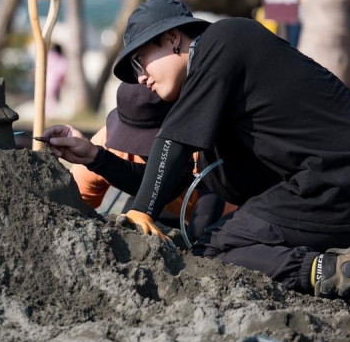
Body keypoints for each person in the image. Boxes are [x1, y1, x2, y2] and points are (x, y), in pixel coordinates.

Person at [44, 0, 350, 316]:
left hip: (343, 183)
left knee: (217, 249)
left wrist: (142, 210)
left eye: (141, 62)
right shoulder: (222, 105)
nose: (141, 78)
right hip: (348, 192)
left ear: (174, 39)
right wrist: (95, 157)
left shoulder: (224, 40)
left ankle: (346, 274)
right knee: (219, 239)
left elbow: (171, 144)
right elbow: (180, 184)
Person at [69, 82, 232, 240]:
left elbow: (215, 200)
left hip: (217, 204)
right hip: (154, 203)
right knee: (131, 233)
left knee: (205, 243)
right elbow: (71, 207)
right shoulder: (102, 147)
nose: (137, 147)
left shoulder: (206, 143)